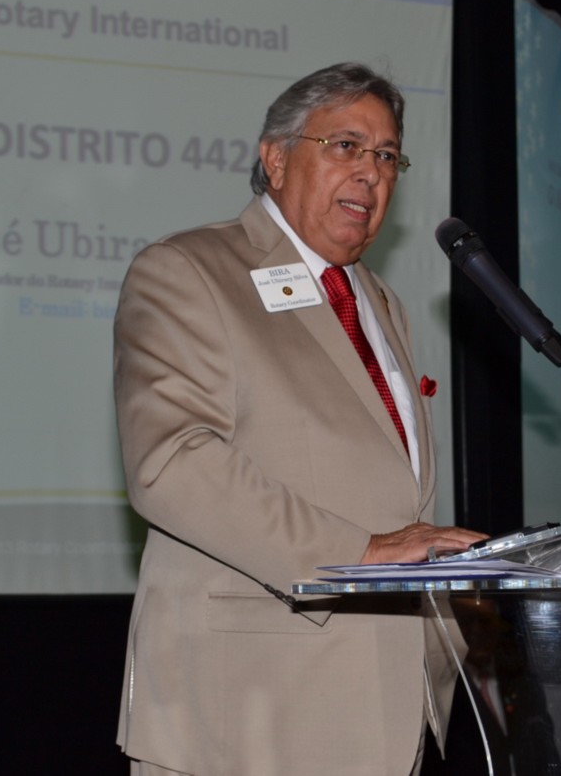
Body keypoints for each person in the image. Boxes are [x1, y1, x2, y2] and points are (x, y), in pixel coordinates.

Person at [113, 62, 488, 775]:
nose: (371, 172)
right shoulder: (190, 269)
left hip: (383, 703)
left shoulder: (381, 303)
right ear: (276, 158)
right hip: (249, 708)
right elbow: (172, 462)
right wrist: (361, 551)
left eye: (387, 156)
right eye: (346, 145)